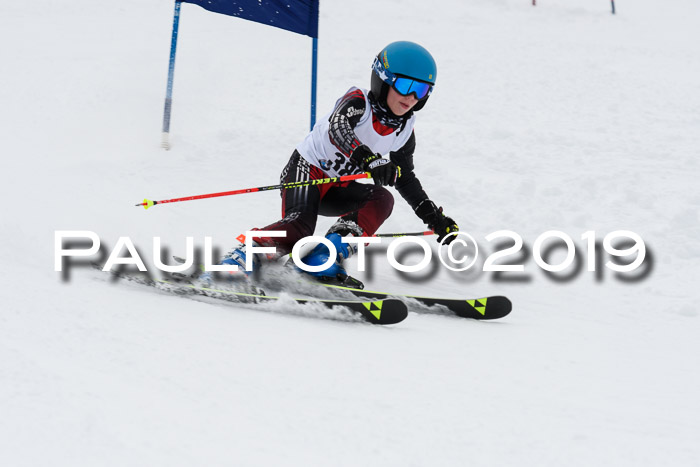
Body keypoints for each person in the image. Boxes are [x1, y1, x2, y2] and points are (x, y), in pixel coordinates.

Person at [203, 41, 459, 286]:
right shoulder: (358, 103)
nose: (412, 96)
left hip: (336, 187)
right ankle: (241, 260)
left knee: (382, 199)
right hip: (307, 171)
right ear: (383, 80)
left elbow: (405, 178)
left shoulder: (403, 130)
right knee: (299, 227)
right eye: (405, 85)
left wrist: (434, 218)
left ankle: (319, 257)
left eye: (422, 90)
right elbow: (339, 128)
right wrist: (368, 159)